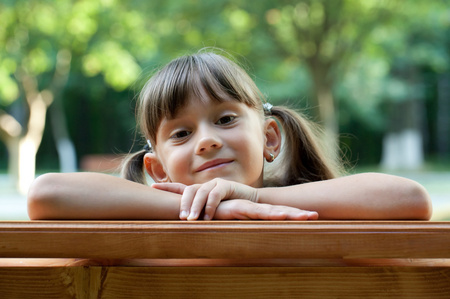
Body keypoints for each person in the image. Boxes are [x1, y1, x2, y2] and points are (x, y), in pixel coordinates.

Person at [27, 50, 432, 221]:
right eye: (182, 133)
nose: (206, 140)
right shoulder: (148, 220)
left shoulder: (307, 211)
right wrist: (207, 209)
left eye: (225, 120)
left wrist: (256, 198)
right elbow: (46, 194)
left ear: (270, 138)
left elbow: (410, 200)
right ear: (158, 169)